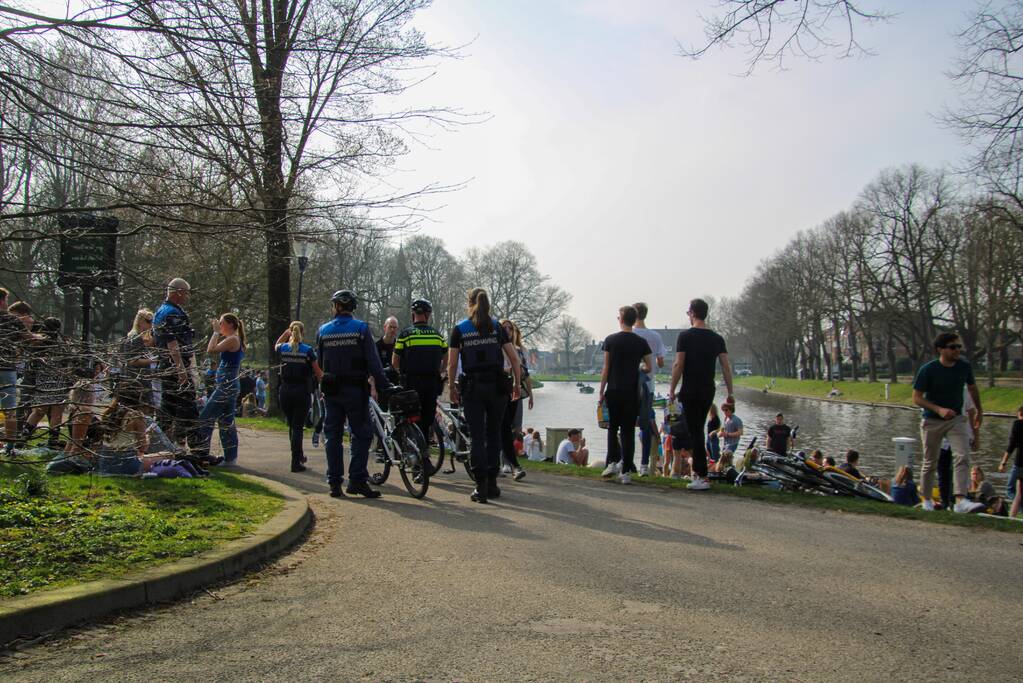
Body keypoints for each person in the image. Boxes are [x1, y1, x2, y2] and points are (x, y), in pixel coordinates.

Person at [318, 290, 394, 498]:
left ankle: (334, 483)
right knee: (362, 433)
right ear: (352, 307)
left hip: (332, 390)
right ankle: (357, 480)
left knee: (332, 435)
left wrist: (321, 385)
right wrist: (383, 384)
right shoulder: (360, 329)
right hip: (355, 389)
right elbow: (373, 360)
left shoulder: (323, 330)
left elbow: (319, 361)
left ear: (336, 306)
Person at [447, 287, 521, 503]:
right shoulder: (497, 327)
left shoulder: (460, 329)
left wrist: (452, 387)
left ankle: (480, 486)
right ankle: (492, 483)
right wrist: (516, 384)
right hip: (497, 387)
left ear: (469, 303)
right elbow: (514, 359)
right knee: (494, 434)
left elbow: (452, 363)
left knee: (477, 436)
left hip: (473, 388)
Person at [912, 332, 985, 514]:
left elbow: (972, 388)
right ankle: (927, 499)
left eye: (959, 346)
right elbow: (917, 398)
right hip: (932, 420)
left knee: (962, 456)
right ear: (940, 350)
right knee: (930, 462)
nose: (957, 350)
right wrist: (938, 409)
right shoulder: (928, 370)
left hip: (956, 419)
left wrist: (979, 411)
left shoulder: (964, 367)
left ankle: (960, 499)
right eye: (953, 347)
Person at [668, 298, 734, 491]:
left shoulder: (685, 336)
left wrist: (672, 389)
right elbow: (726, 367)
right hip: (707, 389)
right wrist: (730, 392)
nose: (688, 316)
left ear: (692, 313)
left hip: (690, 389)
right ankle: (700, 474)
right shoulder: (717, 338)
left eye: (688, 313)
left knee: (695, 430)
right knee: (698, 428)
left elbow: (679, 364)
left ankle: (701, 476)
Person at [598, 305, 652, 485]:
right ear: (634, 319)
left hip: (613, 389)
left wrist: (601, 390)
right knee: (628, 431)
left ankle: (612, 462)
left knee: (612, 428)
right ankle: (626, 471)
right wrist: (638, 368)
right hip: (631, 392)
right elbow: (649, 367)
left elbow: (606, 367)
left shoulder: (611, 340)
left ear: (621, 319)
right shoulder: (640, 342)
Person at [153, 278, 203, 453]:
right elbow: (173, 344)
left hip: (165, 367)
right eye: (186, 292)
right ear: (178, 292)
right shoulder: (173, 314)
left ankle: (159, 445)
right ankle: (198, 451)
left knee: (168, 409)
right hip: (176, 368)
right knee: (189, 409)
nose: (188, 296)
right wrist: (182, 371)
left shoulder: (160, 311)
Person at [392, 299, 446, 456]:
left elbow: (394, 362)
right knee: (427, 421)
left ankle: (413, 456)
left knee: (411, 419)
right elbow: (447, 357)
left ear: (413, 315)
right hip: (432, 384)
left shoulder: (405, 334)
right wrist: (441, 373)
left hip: (412, 384)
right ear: (428, 315)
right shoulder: (437, 335)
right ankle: (425, 454)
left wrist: (401, 374)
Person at [194, 314, 245, 466]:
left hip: (226, 386)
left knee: (206, 418)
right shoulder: (235, 339)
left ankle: (201, 454)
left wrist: (215, 332)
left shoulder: (233, 339)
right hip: (229, 385)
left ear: (230, 324)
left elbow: (211, 350)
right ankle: (230, 458)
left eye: (221, 323)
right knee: (226, 422)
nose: (219, 325)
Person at [275, 321, 323, 472]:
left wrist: (285, 333)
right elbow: (318, 372)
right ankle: (296, 461)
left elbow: (276, 344)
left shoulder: (283, 348)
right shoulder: (307, 351)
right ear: (303, 332)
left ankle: (298, 455)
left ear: (291, 332)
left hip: (285, 390)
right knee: (297, 427)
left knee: (292, 426)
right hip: (301, 391)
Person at [0, 294, 41, 453]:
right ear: (2, 301)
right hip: (7, 369)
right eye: (6, 301)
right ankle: (10, 447)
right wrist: (42, 336)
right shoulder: (12, 320)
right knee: (9, 410)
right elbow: (30, 338)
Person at [23, 318, 72, 449]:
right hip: (59, 381)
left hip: (43, 381)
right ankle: (53, 441)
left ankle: (24, 436)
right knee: (57, 414)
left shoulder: (38, 341)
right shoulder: (63, 343)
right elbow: (68, 362)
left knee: (38, 411)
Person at [632, 302, 667, 476]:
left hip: (630, 383)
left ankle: (626, 461)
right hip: (648, 383)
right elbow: (661, 362)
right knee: (645, 424)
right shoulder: (655, 336)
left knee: (627, 423)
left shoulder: (630, 334)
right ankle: (644, 464)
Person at [498, 318, 532, 482]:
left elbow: (526, 373)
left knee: (514, 428)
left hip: (516, 392)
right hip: (502, 390)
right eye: (503, 328)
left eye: (509, 328)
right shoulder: (497, 348)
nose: (507, 331)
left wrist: (530, 394)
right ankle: (506, 462)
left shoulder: (520, 350)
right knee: (502, 426)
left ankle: (508, 462)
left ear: (514, 331)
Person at [120, 309, 157, 414]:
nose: (151, 324)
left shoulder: (139, 337)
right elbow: (132, 360)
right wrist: (153, 360)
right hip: (137, 380)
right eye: (149, 321)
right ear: (140, 321)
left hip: (140, 379)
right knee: (143, 410)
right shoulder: (135, 337)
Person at [997, 405, 1022, 502]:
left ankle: (1020, 509)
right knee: (1020, 490)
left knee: (1010, 490)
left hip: (1020, 463)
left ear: (1020, 414)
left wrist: (1003, 463)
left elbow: (1011, 445)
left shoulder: (1018, 424)